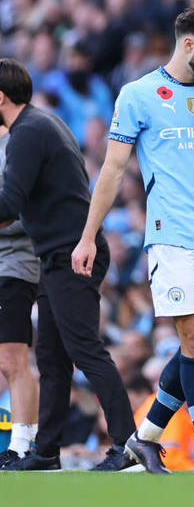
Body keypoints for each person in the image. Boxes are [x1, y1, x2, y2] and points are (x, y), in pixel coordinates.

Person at [71, 5, 194, 475]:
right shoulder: (138, 95)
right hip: (170, 236)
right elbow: (113, 169)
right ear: (189, 44)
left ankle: (145, 438)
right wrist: (88, 235)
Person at [0, 58, 136, 471]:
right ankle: (45, 452)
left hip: (71, 252)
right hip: (61, 251)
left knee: (84, 350)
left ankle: (128, 446)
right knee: (54, 357)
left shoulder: (27, 132)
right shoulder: (42, 123)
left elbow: (8, 203)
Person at [0, 123, 40, 469]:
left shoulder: (16, 146)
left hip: (12, 266)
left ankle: (21, 445)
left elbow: (28, 213)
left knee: (12, 361)